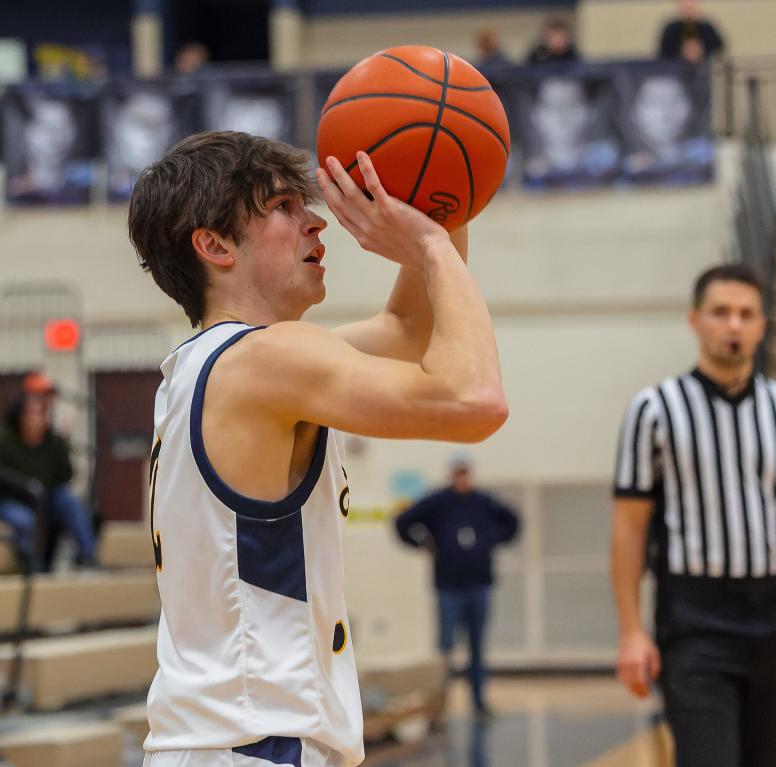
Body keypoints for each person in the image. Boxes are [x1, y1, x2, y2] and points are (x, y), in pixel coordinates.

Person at [128, 131, 507, 767]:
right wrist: (431, 245)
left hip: (230, 741)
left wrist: (444, 202)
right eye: (283, 207)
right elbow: (475, 402)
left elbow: (412, 331)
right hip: (256, 744)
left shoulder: (216, 364)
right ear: (214, 244)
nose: (317, 222)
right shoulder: (264, 359)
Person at [610, 264, 776, 767]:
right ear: (695, 321)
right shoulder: (654, 410)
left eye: (745, 314)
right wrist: (631, 630)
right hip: (693, 619)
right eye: (720, 312)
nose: (733, 325)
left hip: (775, 614)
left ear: (762, 325)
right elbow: (629, 529)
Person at [394, 455, 519, 716]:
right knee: (446, 648)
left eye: (466, 473)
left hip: (479, 585)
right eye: (458, 473)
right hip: (449, 587)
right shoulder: (438, 502)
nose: (462, 478)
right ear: (452, 475)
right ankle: (441, 704)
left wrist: (491, 540)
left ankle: (478, 701)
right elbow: (402, 521)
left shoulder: (483, 502)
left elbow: (513, 521)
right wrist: (422, 544)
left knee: (477, 645)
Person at [0, 373, 98, 571]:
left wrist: (63, 444)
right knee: (24, 519)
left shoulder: (53, 442)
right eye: (31, 414)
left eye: (40, 414)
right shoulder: (5, 439)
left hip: (46, 498)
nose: (36, 420)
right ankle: (34, 569)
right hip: (12, 500)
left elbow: (66, 475)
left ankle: (88, 558)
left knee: (71, 503)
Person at [524, 77, 619, 187]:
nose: (562, 119)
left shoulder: (607, 160)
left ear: (591, 112)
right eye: (550, 106)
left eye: (573, 106)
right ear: (534, 114)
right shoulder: (522, 167)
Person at [622, 73, 714, 185]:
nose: (664, 114)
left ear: (693, 109)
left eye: (674, 101)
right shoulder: (624, 171)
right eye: (653, 102)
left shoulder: (708, 156)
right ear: (634, 113)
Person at [657, 0, 725, 65]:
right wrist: (683, 50)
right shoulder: (672, 28)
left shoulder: (706, 27)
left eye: (690, 7)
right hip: (677, 66)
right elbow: (663, 50)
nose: (688, 10)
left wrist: (701, 49)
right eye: (686, 7)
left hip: (703, 66)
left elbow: (719, 45)